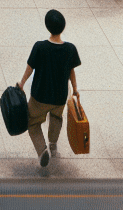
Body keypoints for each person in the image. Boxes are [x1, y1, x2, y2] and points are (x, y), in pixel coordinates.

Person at [17, 10, 81, 169]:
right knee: (56, 118)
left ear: (47, 27)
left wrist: (22, 83)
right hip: (59, 97)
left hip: (40, 96)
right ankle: (53, 144)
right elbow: (72, 71)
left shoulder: (40, 47)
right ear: (63, 28)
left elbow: (30, 68)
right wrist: (75, 89)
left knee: (32, 122)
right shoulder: (70, 49)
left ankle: (42, 150)